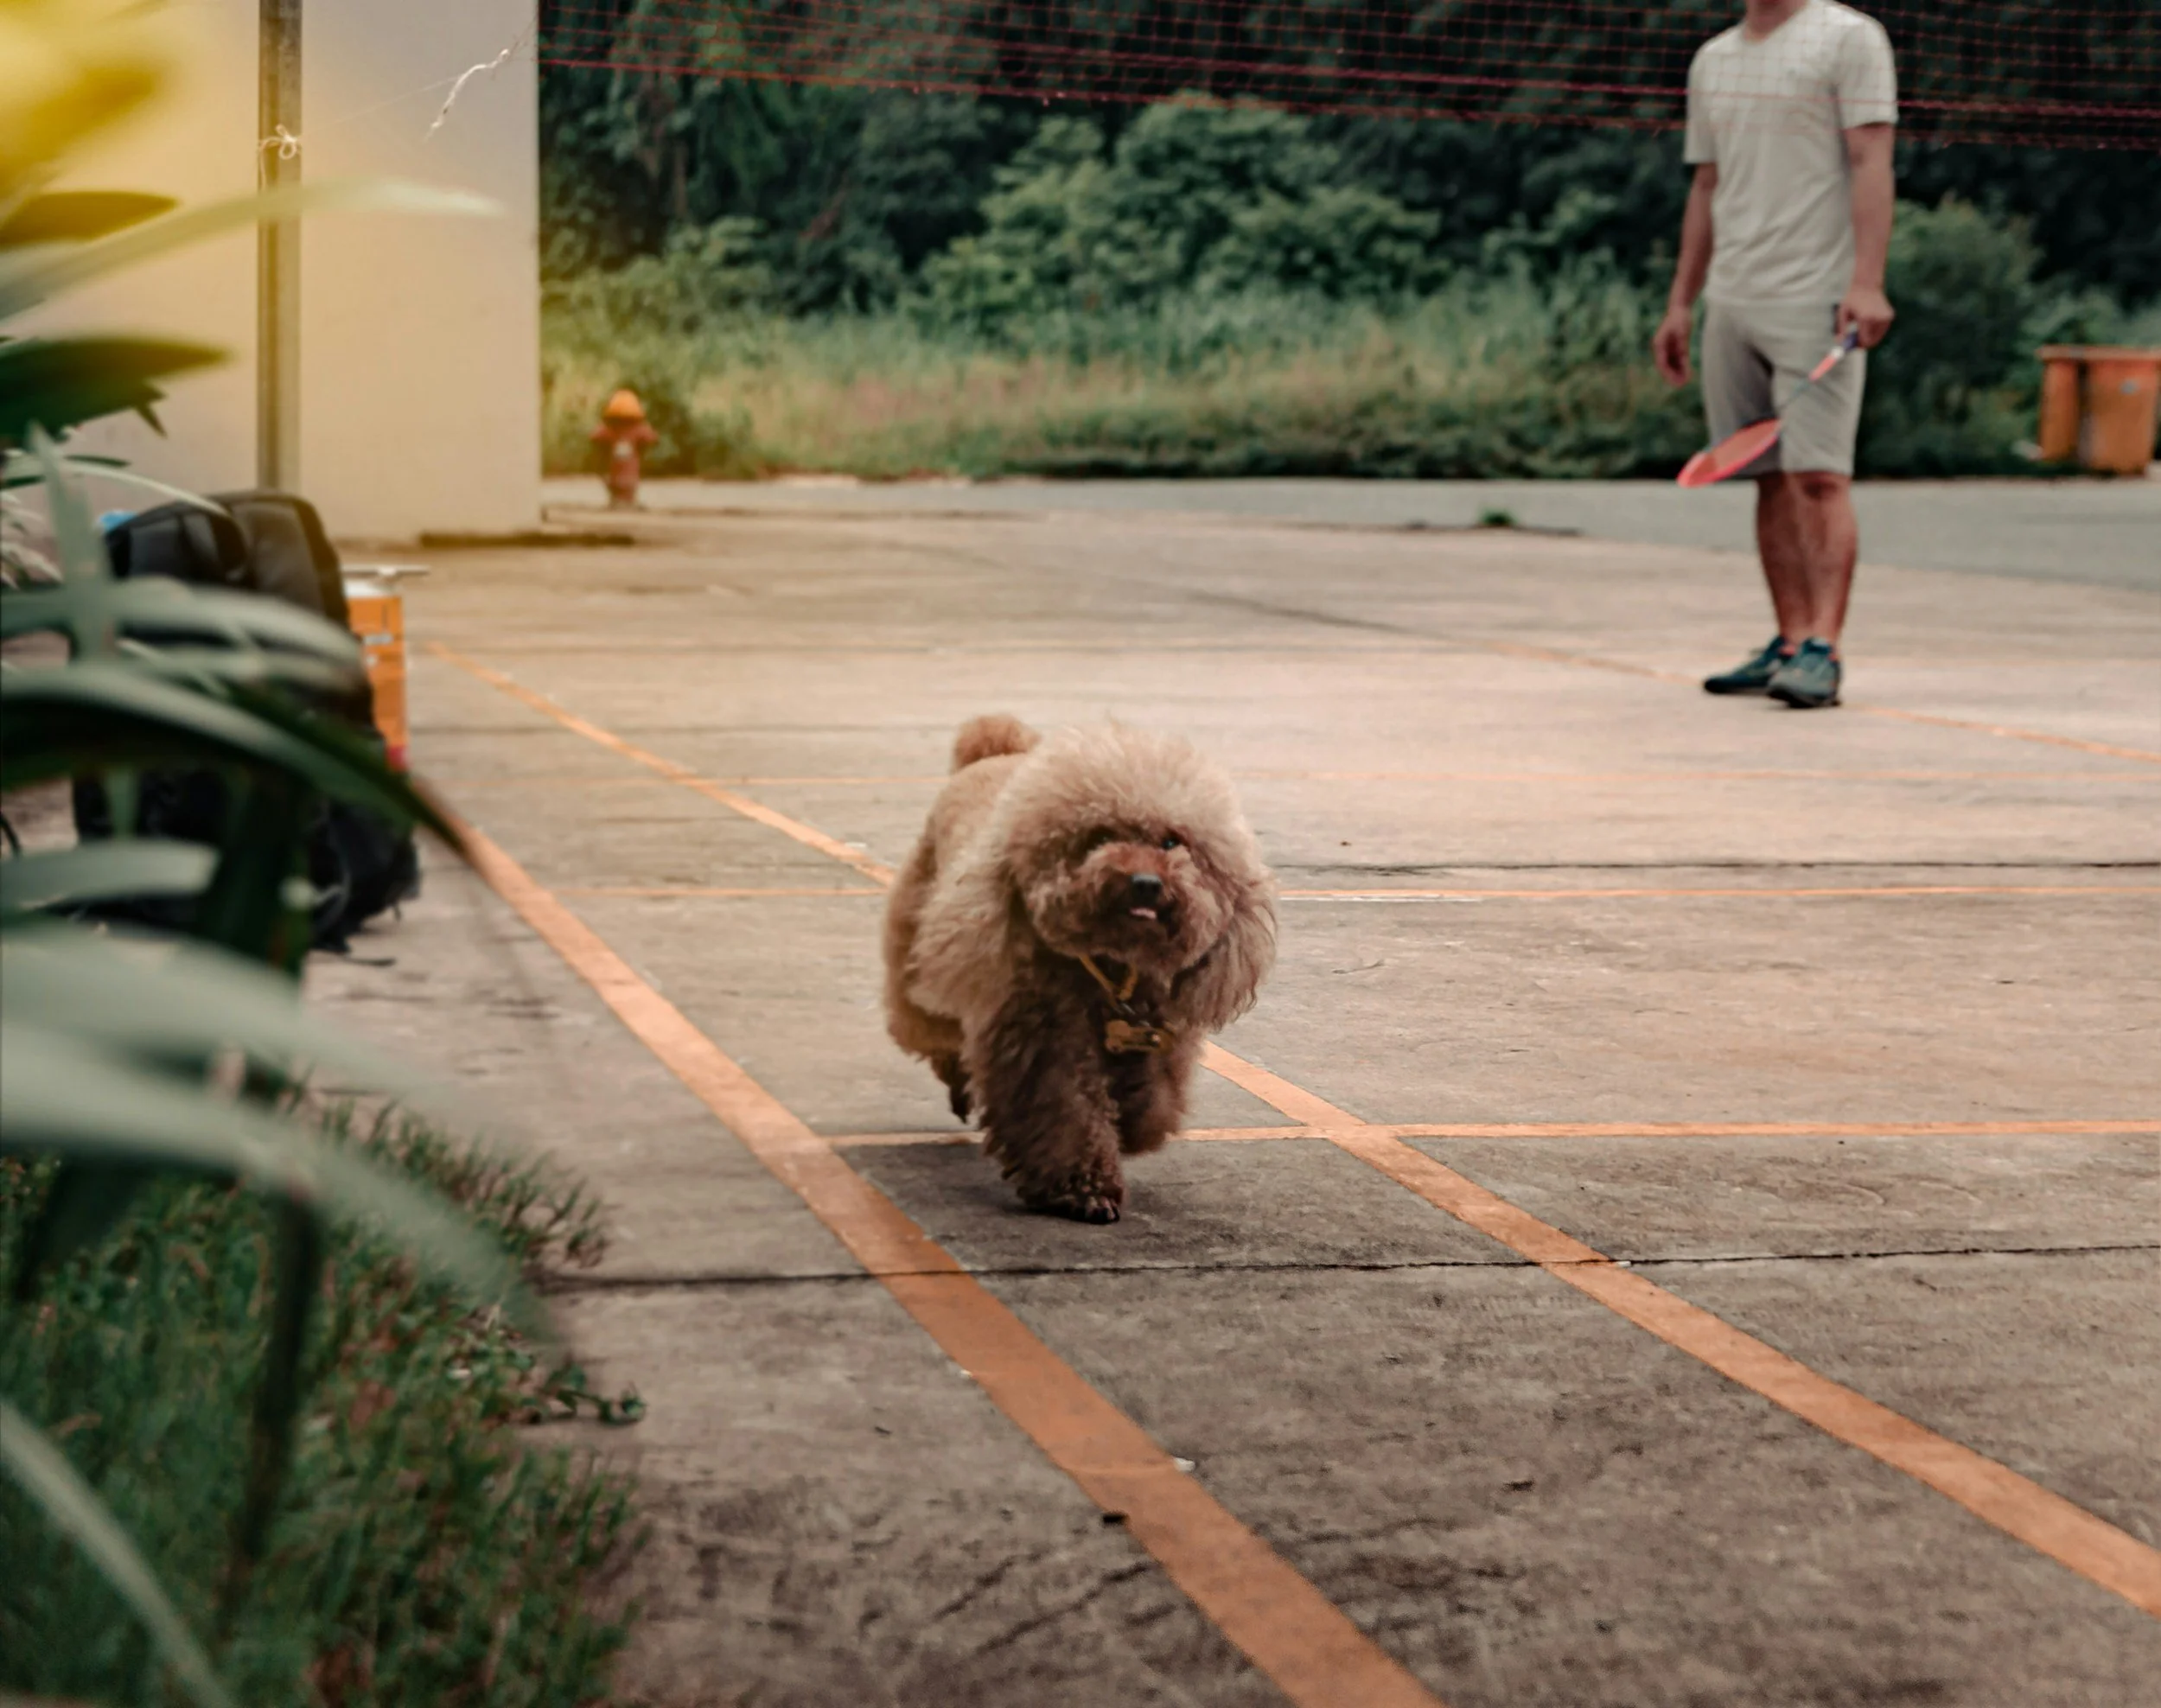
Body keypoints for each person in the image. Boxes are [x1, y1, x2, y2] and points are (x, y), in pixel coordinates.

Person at [1654, 0, 1897, 709]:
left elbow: (1870, 156)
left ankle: (1824, 647)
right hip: (1733, 298)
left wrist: (1867, 282)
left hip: (1817, 297)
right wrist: (1681, 302)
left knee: (1819, 476)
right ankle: (1788, 641)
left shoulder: (1848, 37)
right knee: (1762, 473)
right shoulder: (1714, 59)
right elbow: (1706, 185)